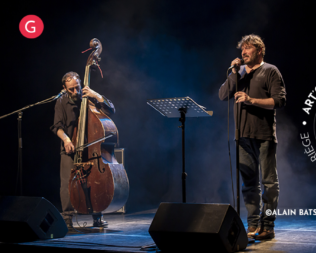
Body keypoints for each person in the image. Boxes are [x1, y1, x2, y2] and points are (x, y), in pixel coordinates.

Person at [218, 34, 286, 240]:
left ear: (259, 51)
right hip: (243, 137)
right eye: (242, 49)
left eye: (248, 48)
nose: (243, 52)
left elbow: (279, 101)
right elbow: (222, 95)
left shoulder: (271, 71)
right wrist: (233, 72)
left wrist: (251, 99)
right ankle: (253, 225)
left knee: (270, 184)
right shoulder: (238, 73)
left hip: (264, 135)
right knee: (249, 184)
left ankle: (268, 225)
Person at [50, 71, 115, 229]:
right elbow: (56, 127)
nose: (75, 92)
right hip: (70, 148)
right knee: (67, 182)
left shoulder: (89, 97)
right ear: (64, 88)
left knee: (94, 181)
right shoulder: (61, 101)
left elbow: (111, 109)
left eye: (77, 88)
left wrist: (96, 95)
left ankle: (97, 216)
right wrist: (66, 139)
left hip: (91, 148)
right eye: (71, 89)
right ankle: (67, 218)